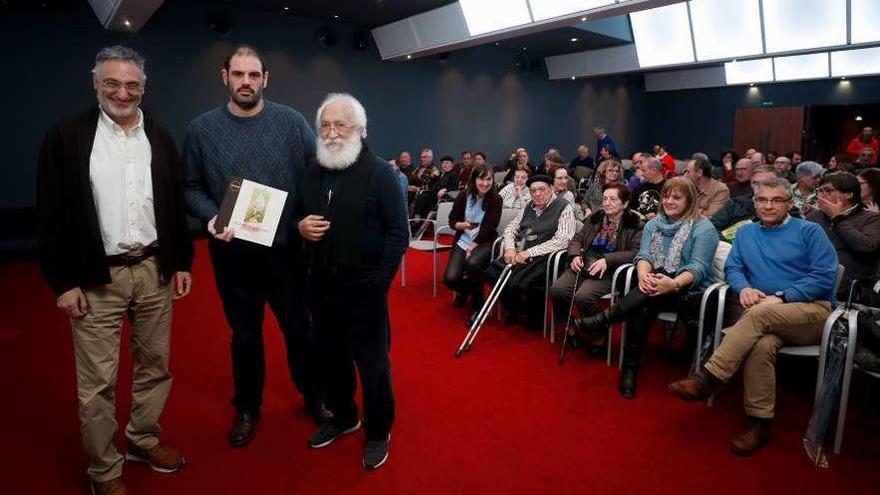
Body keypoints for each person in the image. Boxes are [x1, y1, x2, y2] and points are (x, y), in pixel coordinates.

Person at [37, 45, 194, 495]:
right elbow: (49, 216)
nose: (122, 93)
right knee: (97, 383)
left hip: (154, 271)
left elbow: (173, 205)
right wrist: (62, 282)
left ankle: (143, 439)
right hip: (94, 278)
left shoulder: (160, 137)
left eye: (132, 85)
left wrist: (181, 261)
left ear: (143, 88)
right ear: (95, 84)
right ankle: (104, 471)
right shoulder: (65, 137)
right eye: (112, 83)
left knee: (155, 365)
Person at [182, 44, 324, 448]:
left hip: (286, 253)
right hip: (232, 254)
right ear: (224, 77)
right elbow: (190, 187)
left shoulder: (293, 123)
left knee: (299, 329)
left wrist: (305, 220)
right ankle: (247, 407)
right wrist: (211, 217)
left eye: (254, 75)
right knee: (245, 336)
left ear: (266, 79)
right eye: (239, 75)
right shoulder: (201, 130)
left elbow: (315, 176)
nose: (247, 82)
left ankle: (315, 396)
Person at [668, 176, 838, 457]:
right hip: (764, 314)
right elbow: (734, 267)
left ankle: (707, 378)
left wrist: (784, 296)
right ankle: (759, 423)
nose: (768, 206)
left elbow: (824, 277)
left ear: (789, 203)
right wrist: (743, 287)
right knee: (762, 345)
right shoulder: (746, 233)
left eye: (777, 200)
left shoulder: (810, 231)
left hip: (810, 311)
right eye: (762, 200)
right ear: (754, 202)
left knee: (760, 314)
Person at [295, 93, 408, 470]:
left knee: (373, 366)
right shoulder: (311, 172)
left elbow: (398, 233)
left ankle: (378, 431)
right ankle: (344, 417)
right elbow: (295, 216)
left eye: (340, 125)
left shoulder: (381, 173)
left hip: (365, 289)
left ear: (359, 130)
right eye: (325, 125)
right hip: (321, 287)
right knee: (331, 360)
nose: (331, 133)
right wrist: (299, 227)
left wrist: (380, 283)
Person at [576, 178, 719, 399]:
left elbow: (698, 267)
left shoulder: (703, 227)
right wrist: (643, 276)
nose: (669, 201)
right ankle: (629, 369)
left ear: (690, 200)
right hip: (655, 284)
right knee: (644, 301)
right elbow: (644, 256)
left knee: (644, 298)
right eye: (666, 196)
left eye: (677, 197)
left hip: (691, 291)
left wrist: (672, 283)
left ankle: (604, 322)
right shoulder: (653, 224)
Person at [550, 183, 642, 355]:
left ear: (625, 203)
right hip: (584, 265)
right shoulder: (596, 217)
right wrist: (574, 255)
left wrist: (608, 259)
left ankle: (598, 331)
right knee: (557, 289)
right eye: (605, 198)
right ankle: (569, 325)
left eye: (613, 199)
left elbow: (636, 252)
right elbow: (577, 239)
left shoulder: (634, 223)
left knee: (583, 296)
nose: (607, 203)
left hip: (609, 272)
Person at [487, 175, 577, 329]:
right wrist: (509, 247)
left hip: (546, 257)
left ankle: (532, 316)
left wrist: (529, 253)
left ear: (551, 189)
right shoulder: (528, 206)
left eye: (542, 189)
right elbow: (511, 228)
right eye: (533, 190)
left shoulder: (564, 206)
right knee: (491, 272)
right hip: (520, 251)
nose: (537, 193)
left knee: (523, 281)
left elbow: (562, 240)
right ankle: (517, 307)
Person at [807, 172, 880, 305]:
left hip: (851, 291)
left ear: (848, 194)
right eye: (819, 191)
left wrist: (838, 218)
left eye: (827, 190)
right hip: (811, 282)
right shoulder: (814, 216)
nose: (821, 195)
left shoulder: (872, 218)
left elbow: (867, 247)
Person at [443, 163, 503, 315]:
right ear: (474, 179)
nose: (485, 183)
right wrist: (463, 225)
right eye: (481, 179)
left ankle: (478, 306)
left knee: (472, 263)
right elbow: (452, 220)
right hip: (464, 239)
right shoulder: (464, 196)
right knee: (450, 279)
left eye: (489, 179)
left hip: (485, 241)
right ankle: (470, 290)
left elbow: (490, 226)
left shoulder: (496, 199)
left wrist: (474, 245)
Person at [683, 153, 730, 217]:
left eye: (688, 172)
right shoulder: (688, 187)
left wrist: (687, 211)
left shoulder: (721, 190)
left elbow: (710, 215)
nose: (684, 175)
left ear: (699, 173)